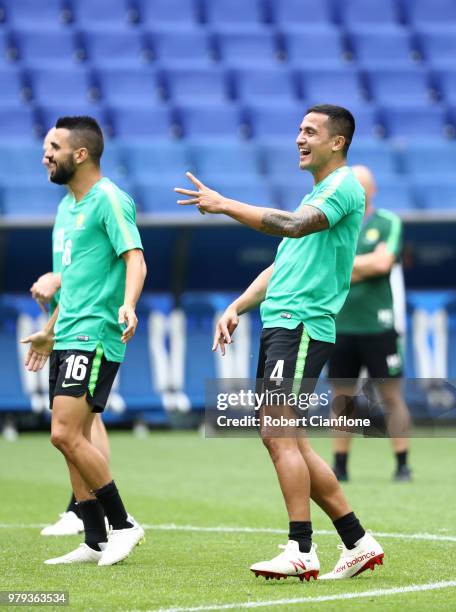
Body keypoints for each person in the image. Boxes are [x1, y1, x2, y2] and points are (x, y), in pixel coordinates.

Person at [175, 104, 384, 581]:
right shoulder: (315, 195)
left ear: (338, 142)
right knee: (290, 438)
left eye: (310, 131)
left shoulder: (343, 187)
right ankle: (357, 541)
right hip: (282, 324)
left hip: (303, 325)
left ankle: (301, 549)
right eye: (298, 130)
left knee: (276, 433)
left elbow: (290, 226)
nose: (299, 138)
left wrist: (226, 204)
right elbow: (281, 265)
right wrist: (237, 305)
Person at [21, 116, 147, 566]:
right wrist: (50, 331)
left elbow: (135, 258)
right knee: (70, 436)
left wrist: (128, 304)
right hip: (69, 333)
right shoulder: (68, 208)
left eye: (53, 146)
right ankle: (95, 538)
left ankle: (123, 524)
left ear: (81, 154)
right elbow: (73, 283)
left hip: (95, 333)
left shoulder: (109, 199)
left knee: (64, 433)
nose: (45, 155)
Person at [328, 165, 412, 482]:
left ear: (372, 190)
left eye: (363, 189)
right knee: (343, 397)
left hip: (379, 326)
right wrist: (365, 266)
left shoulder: (387, 222)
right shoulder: (334, 225)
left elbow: (382, 263)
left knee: (392, 395)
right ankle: (340, 464)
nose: (358, 195)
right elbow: (331, 266)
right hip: (340, 325)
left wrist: (346, 267)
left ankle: (402, 463)